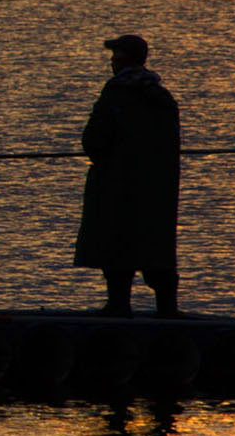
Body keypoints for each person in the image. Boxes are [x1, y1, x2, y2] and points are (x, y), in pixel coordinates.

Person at [73, 34, 181, 318]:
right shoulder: (163, 96)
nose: (111, 62)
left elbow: (94, 141)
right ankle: (167, 309)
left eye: (114, 56)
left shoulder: (116, 93)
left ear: (123, 60)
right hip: (156, 188)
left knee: (116, 244)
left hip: (117, 185)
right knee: (155, 245)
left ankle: (118, 305)